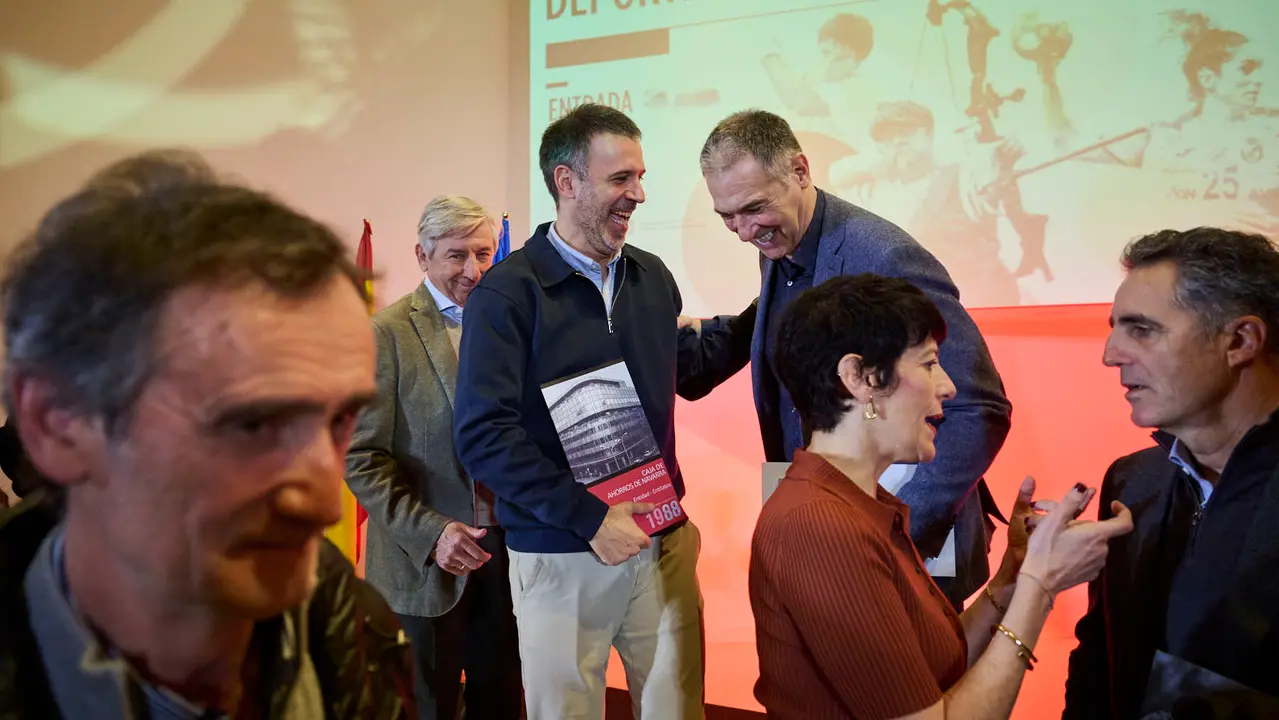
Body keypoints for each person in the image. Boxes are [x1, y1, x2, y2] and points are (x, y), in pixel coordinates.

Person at [0, 150, 414, 718]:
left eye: (341, 421)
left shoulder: (359, 632)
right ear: (57, 423)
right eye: (252, 424)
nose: (323, 502)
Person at [453, 103, 754, 719]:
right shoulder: (508, 294)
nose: (638, 194)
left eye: (640, 177)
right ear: (566, 182)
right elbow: (483, 436)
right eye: (621, 179)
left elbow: (689, 371)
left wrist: (772, 301)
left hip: (662, 545)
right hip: (562, 554)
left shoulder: (651, 277)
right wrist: (590, 518)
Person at [752, 272, 1134, 719]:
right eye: (930, 363)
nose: (949, 387)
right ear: (859, 377)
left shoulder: (856, 504)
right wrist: (1040, 586)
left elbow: (934, 675)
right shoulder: (818, 525)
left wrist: (1013, 577)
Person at [699, 108, 1013, 608]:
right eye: (727, 216)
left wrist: (894, 531)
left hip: (901, 546)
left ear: (801, 172)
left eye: (753, 208)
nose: (741, 230)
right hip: (828, 525)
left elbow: (978, 408)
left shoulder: (885, 256)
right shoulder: (780, 242)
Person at [1064, 227, 1279, 718]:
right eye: (1115, 327)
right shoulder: (1133, 481)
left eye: (1142, 329)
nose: (1110, 353)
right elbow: (1099, 657)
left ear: (1241, 340)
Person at [345, 194, 522, 719]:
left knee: (502, 704)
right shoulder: (386, 334)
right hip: (421, 567)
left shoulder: (515, 326)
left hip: (511, 557)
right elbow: (361, 459)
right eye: (457, 255)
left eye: (485, 254)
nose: (474, 270)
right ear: (422, 256)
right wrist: (433, 533)